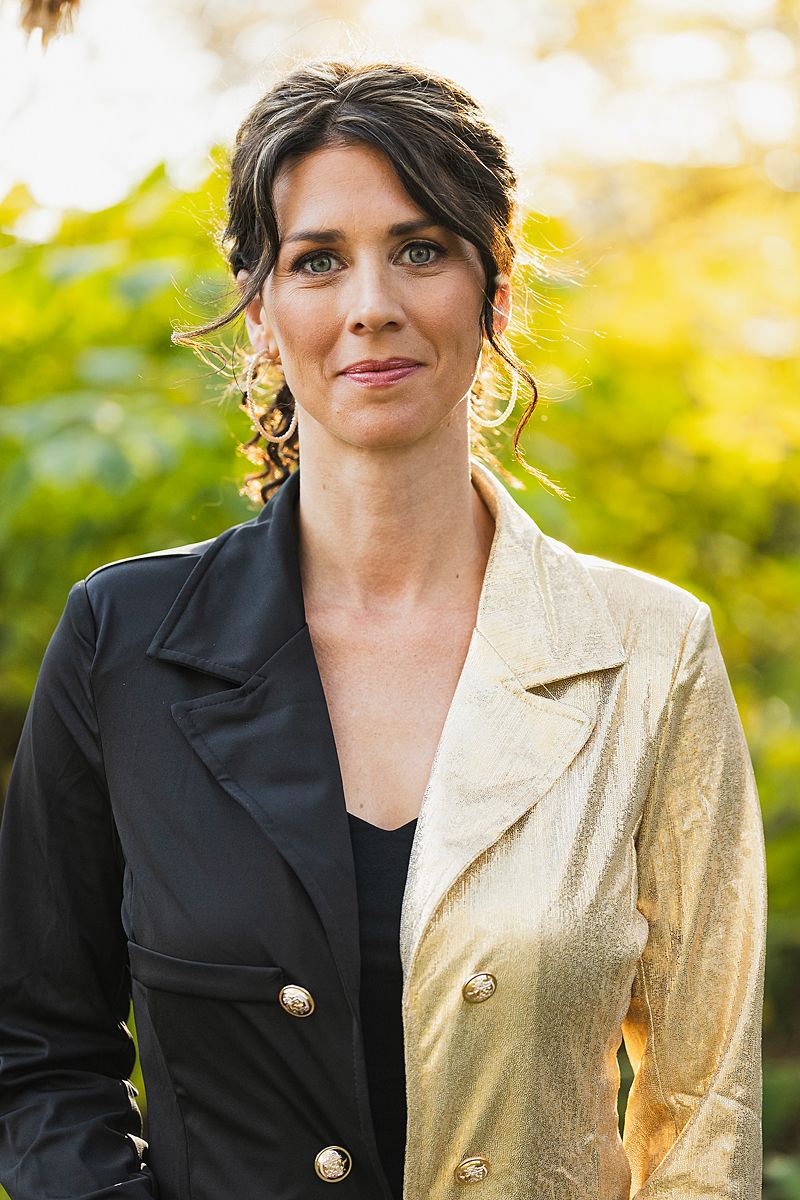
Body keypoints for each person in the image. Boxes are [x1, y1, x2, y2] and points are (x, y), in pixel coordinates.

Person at [0, 58, 767, 1200]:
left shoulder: (649, 653)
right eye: (318, 260)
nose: (371, 304)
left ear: (493, 292)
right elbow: (36, 1042)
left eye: (420, 250)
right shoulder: (125, 640)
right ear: (261, 314)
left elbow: (705, 1105)